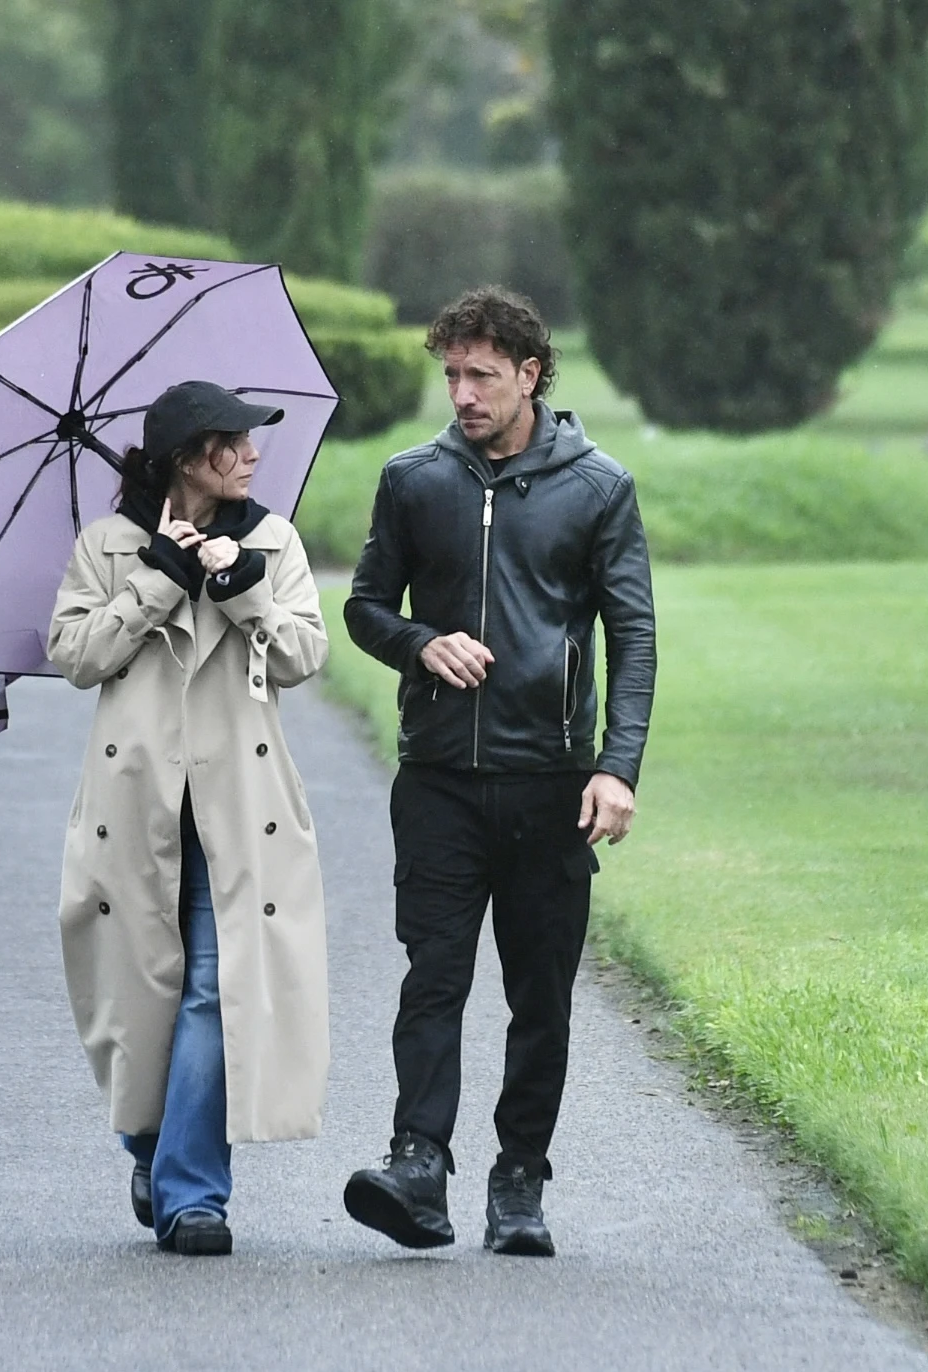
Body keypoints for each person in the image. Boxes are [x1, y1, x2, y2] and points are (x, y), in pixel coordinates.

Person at [341, 288, 655, 1256]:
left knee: (540, 995)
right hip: (438, 778)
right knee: (432, 978)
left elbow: (631, 632)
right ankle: (417, 1164)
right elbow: (363, 607)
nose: (463, 394)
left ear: (530, 374)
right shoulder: (414, 480)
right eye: (452, 374)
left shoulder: (598, 487)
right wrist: (420, 644)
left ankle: (519, 1178)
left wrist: (617, 767)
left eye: (482, 375)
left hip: (550, 782)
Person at [48, 381, 331, 1256]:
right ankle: (153, 1145)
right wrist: (156, 581)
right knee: (143, 989)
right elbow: (74, 656)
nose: (253, 456)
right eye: (236, 444)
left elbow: (303, 656)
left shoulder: (272, 540)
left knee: (218, 982)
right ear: (188, 458)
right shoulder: (108, 545)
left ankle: (191, 1197)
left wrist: (242, 587)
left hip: (238, 812)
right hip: (137, 808)